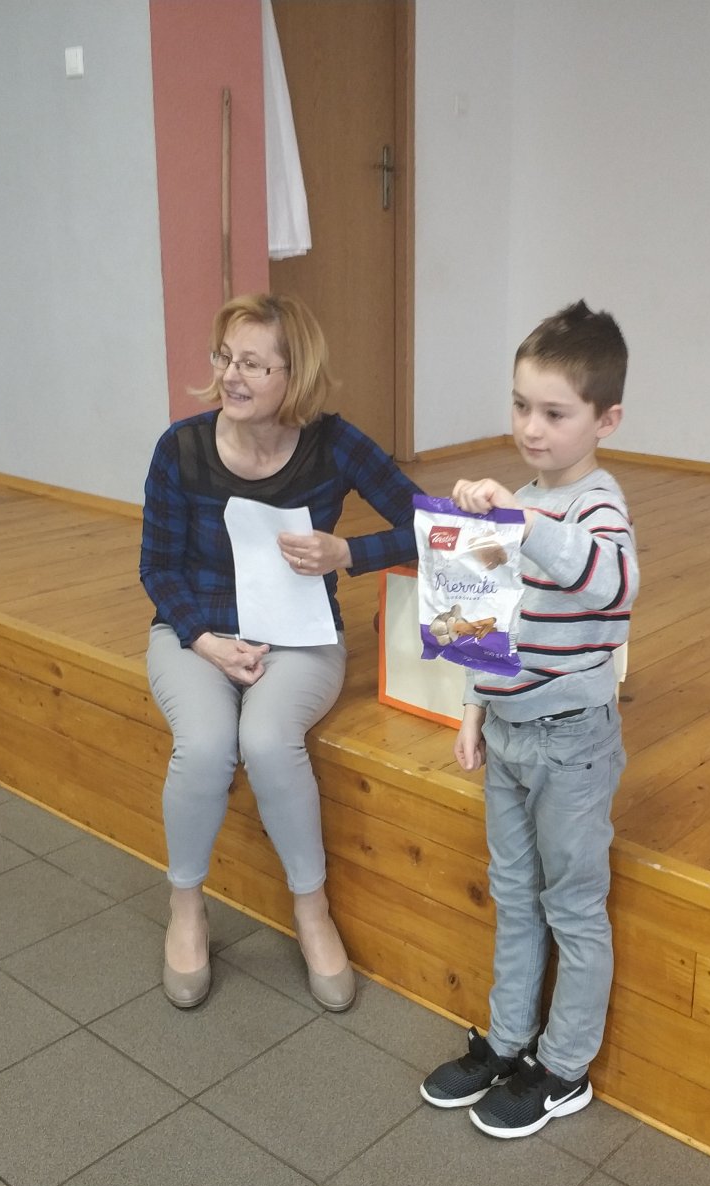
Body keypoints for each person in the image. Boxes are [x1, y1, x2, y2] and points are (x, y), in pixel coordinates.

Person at [140, 293, 421, 1013]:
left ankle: (311, 908)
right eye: (224, 358)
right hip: (196, 634)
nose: (230, 376)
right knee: (206, 744)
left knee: (267, 739)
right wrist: (206, 640)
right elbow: (158, 568)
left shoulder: (334, 443)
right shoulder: (180, 448)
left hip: (300, 637)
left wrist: (348, 552)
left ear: (294, 374)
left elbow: (430, 525)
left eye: (253, 364)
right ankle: (186, 906)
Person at [420, 300, 638, 1138]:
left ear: (605, 420)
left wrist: (525, 522)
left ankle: (565, 1066)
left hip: (572, 742)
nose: (531, 427)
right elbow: (490, 619)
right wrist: (473, 708)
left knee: (572, 905)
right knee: (514, 894)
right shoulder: (525, 499)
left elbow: (612, 585)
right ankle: (508, 1039)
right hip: (508, 736)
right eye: (520, 405)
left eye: (554, 412)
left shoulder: (594, 507)